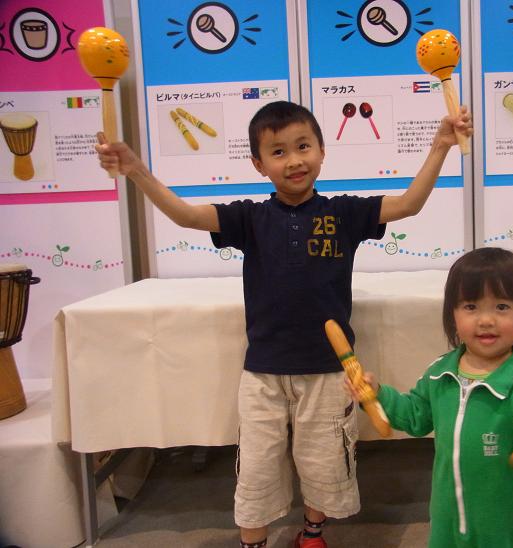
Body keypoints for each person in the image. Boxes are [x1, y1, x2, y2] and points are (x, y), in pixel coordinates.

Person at [96, 100, 472, 548]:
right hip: (263, 372)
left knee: (324, 462)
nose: (294, 160)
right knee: (256, 469)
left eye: (303, 146)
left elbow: (409, 204)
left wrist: (440, 145)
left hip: (329, 370)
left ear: (322, 150)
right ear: (258, 164)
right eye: (278, 152)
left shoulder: (345, 213)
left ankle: (312, 531)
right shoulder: (249, 218)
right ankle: (252, 541)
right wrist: (136, 169)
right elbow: (186, 215)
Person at [346, 247, 513, 548]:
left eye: (502, 307)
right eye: (470, 306)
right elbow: (414, 416)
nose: (486, 320)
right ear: (452, 315)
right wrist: (377, 395)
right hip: (445, 516)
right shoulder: (439, 372)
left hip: (499, 522)